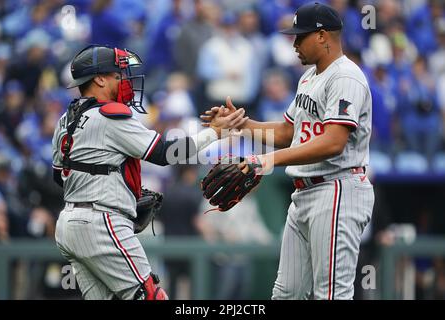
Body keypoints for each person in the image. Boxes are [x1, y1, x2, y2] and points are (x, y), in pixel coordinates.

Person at [202, 2, 374, 300]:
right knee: (286, 293)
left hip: (336, 189)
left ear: (322, 36)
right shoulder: (309, 77)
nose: (293, 43)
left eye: (300, 36)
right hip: (305, 193)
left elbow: (334, 142)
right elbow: (287, 132)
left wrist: (267, 160)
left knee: (330, 294)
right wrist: (239, 125)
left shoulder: (345, 77)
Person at [51, 44, 246, 300]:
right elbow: (166, 154)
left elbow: (59, 177)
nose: (125, 81)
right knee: (151, 296)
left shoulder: (66, 119)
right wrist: (214, 133)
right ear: (99, 79)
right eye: (117, 75)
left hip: (69, 226)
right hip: (102, 222)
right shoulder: (110, 115)